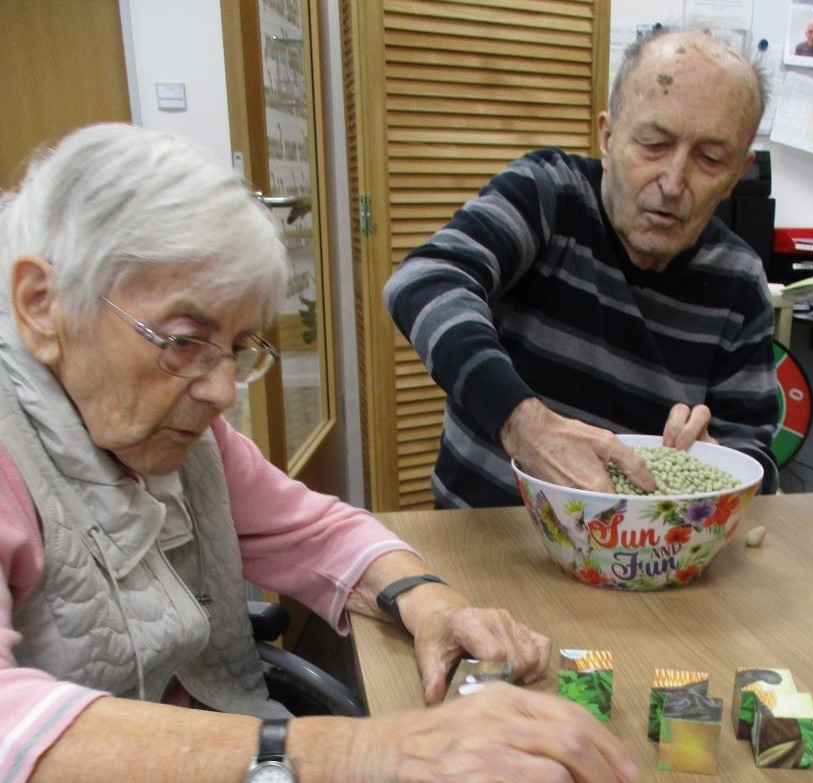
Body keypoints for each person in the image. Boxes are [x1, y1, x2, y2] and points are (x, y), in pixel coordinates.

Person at [0, 123, 639, 783]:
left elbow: (320, 532)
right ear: (42, 305)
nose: (222, 390)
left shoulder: (179, 435)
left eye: (237, 346)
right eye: (186, 339)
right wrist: (367, 751)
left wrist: (430, 601)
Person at [383, 29, 780, 509]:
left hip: (647, 559)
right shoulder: (548, 195)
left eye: (710, 159)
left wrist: (723, 471)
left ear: (739, 172)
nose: (674, 183)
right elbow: (425, 279)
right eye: (653, 144)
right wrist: (522, 423)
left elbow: (755, 457)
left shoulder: (740, 281)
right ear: (608, 137)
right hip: (492, 535)